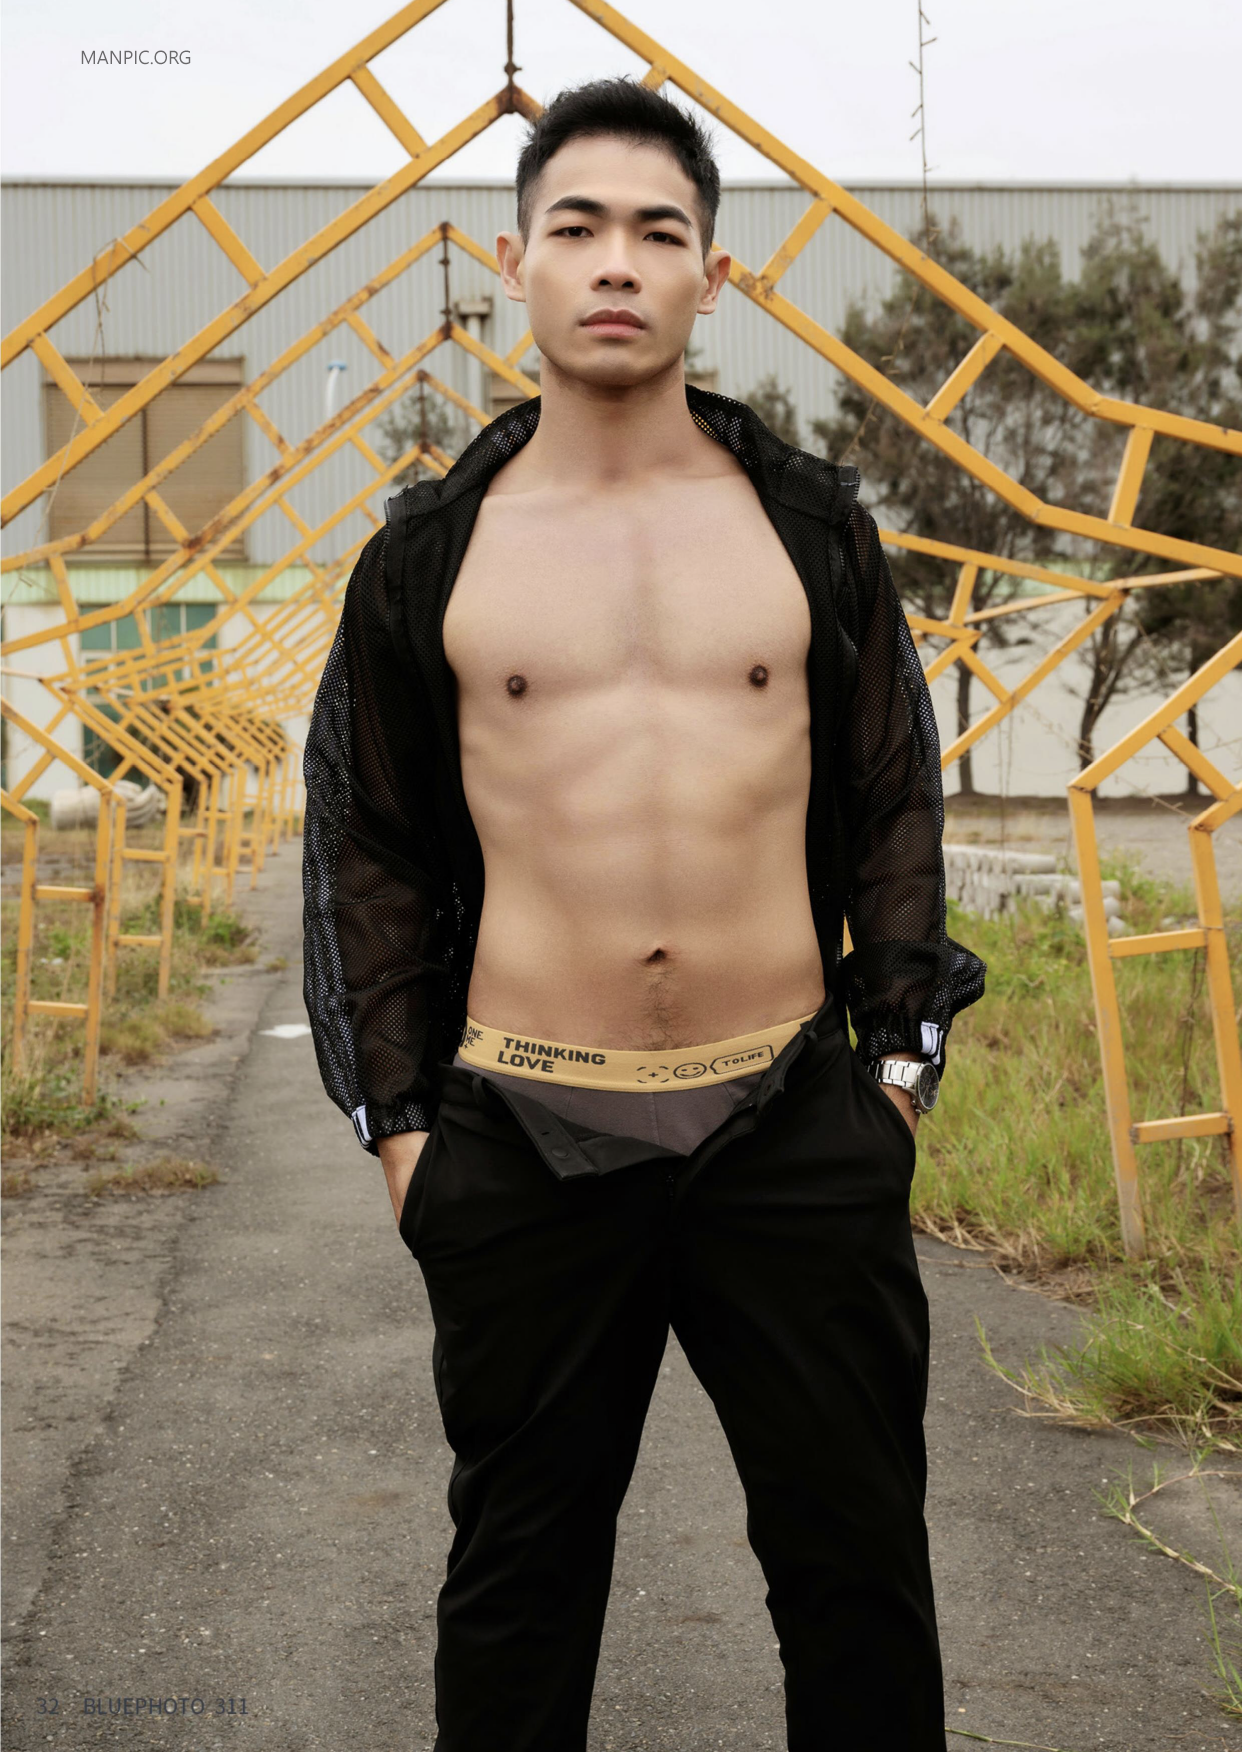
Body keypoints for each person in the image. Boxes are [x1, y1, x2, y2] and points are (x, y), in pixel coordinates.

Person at [302, 75, 985, 1752]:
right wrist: (406, 1136)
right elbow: (366, 849)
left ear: (711, 276)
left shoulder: (810, 530)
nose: (616, 261)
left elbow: (892, 796)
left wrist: (893, 1084)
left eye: (657, 232)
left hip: (788, 1125)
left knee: (857, 1582)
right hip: (523, 1133)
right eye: (577, 226)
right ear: (514, 263)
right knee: (516, 1599)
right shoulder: (427, 558)